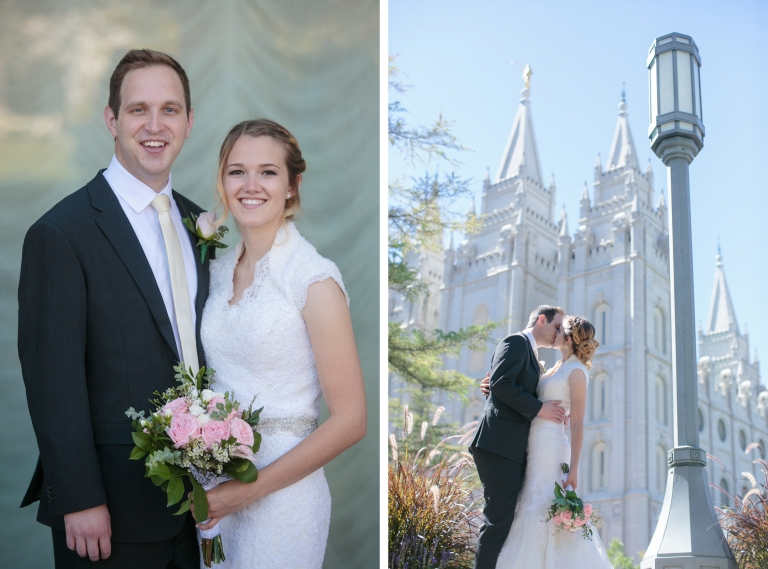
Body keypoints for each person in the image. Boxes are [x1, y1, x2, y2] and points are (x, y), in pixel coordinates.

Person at [18, 49, 205, 567]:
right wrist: (79, 497)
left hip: (204, 509)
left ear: (189, 122)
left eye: (170, 110)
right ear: (111, 120)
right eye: (137, 109)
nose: (154, 124)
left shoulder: (201, 224)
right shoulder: (60, 233)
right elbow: (52, 379)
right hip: (108, 513)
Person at [189, 119, 367, 568]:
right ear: (222, 182)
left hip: (284, 499)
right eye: (237, 171)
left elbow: (351, 421)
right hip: (213, 487)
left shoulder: (314, 278)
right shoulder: (214, 270)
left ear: (292, 185)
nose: (251, 185)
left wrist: (243, 492)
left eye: (268, 172)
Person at [495, 315, 613, 568]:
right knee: (529, 501)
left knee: (546, 503)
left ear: (568, 338)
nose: (555, 332)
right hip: (533, 444)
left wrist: (574, 468)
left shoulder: (577, 372)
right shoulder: (552, 368)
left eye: (560, 329)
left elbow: (578, 422)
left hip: (552, 447)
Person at [470, 305, 567, 569]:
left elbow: (501, 384)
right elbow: (502, 383)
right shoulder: (515, 341)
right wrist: (540, 409)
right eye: (557, 327)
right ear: (541, 320)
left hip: (511, 446)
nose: (559, 333)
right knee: (497, 521)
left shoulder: (531, 354)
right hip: (499, 444)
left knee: (503, 521)